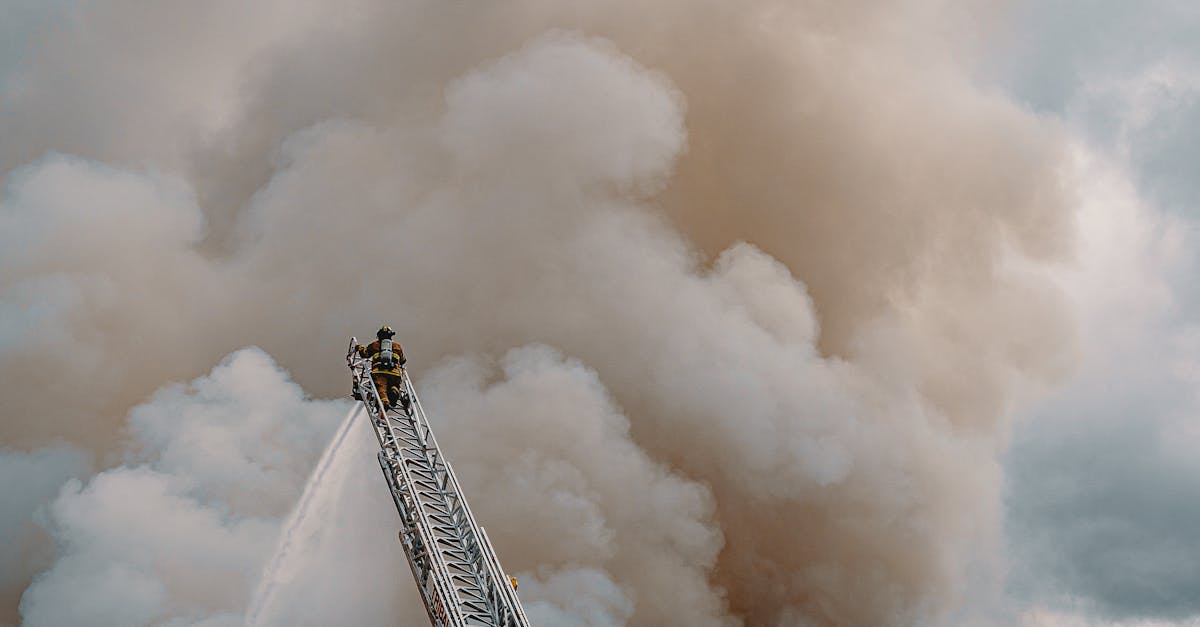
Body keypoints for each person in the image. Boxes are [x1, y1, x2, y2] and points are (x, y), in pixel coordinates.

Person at [355, 325, 410, 412]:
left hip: (379, 372)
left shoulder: (375, 345)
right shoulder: (397, 346)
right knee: (394, 385)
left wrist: (360, 347)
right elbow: (403, 360)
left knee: (381, 387)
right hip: (395, 373)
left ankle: (385, 402)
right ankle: (394, 390)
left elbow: (365, 354)